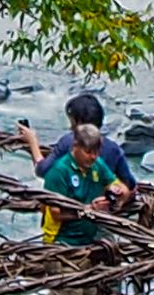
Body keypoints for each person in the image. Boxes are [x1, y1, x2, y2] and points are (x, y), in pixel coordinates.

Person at [22, 91, 139, 251]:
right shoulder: (113, 149)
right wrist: (116, 201)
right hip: (99, 223)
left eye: (72, 121)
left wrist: (32, 142)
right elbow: (130, 186)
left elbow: (42, 170)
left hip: (67, 228)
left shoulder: (69, 142)